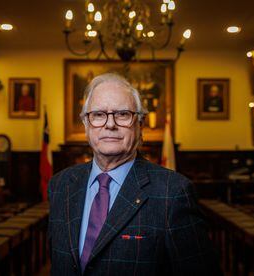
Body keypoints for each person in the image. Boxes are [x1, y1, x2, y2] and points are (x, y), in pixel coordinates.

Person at [48, 73, 222, 275]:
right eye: (98, 114)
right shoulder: (60, 185)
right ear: (86, 125)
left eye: (122, 114)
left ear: (140, 124)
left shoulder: (173, 192)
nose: (110, 124)